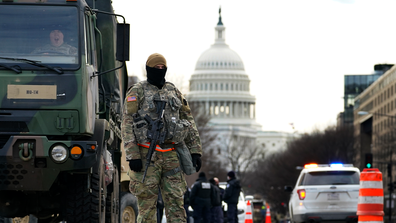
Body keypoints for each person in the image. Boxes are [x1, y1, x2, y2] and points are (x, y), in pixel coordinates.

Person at [121, 53, 202, 223]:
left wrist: (195, 151)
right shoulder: (138, 91)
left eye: (162, 68)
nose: (159, 70)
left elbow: (188, 120)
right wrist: (133, 155)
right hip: (145, 157)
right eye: (155, 68)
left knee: (176, 205)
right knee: (146, 207)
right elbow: (127, 123)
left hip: (171, 155)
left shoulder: (173, 91)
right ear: (148, 69)